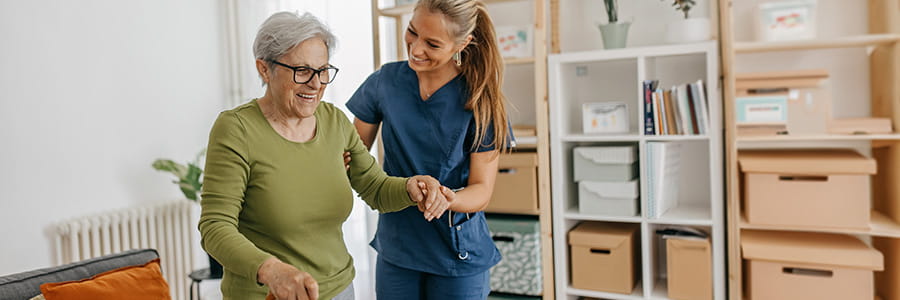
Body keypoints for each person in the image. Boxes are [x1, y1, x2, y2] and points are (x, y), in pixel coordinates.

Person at [199, 11, 451, 300]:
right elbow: (215, 227)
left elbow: (375, 188)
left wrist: (411, 187)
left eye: (322, 70)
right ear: (264, 69)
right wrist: (271, 271)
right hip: (267, 293)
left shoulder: (334, 121)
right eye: (302, 71)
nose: (316, 84)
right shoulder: (236, 129)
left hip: (339, 289)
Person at [346, 0, 512, 298]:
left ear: (463, 43)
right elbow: (352, 155)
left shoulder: (480, 100)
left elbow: (481, 190)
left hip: (456, 252)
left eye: (432, 44)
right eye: (412, 32)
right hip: (398, 248)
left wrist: (447, 199)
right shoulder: (385, 83)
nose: (416, 49)